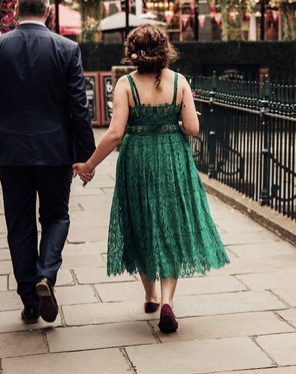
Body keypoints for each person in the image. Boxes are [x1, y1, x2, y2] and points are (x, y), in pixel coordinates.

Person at [73, 25, 229, 333]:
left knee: (142, 221)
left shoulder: (125, 84)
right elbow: (193, 128)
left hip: (138, 159)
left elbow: (115, 133)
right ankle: (168, 301)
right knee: (170, 224)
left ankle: (150, 294)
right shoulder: (179, 82)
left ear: (132, 51)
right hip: (172, 158)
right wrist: (173, 127)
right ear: (165, 49)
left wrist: (89, 165)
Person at [0, 0, 96, 325]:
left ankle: (29, 301)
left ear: (15, 8)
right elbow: (78, 107)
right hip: (55, 151)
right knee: (56, 217)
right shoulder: (66, 49)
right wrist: (86, 156)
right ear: (49, 11)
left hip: (11, 153)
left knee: (19, 226)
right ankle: (46, 273)